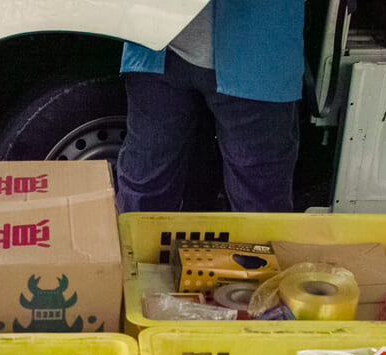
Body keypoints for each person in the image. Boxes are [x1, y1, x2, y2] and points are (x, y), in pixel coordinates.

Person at [115, 0, 306, 213]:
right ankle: (136, 246)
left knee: (259, 203)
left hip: (257, 49)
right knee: (143, 187)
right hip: (155, 47)